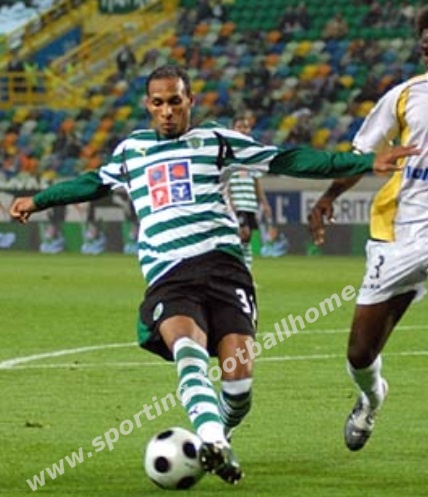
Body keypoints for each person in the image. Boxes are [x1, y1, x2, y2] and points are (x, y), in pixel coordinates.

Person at [9, 65, 417, 483]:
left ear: (190, 101)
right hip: (170, 273)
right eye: (158, 103)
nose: (167, 111)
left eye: (175, 101)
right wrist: (38, 201)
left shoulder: (217, 140)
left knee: (239, 388)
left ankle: (220, 430)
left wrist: (364, 160)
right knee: (188, 352)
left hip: (224, 270)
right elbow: (91, 183)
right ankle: (213, 442)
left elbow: (286, 158)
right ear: (147, 105)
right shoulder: (132, 150)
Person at [307, 7, 428, 453]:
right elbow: (364, 153)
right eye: (425, 43)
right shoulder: (404, 97)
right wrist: (328, 196)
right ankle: (372, 398)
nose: (427, 48)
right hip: (399, 235)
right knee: (360, 353)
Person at [228, 113, 272, 270]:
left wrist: (264, 203)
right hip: (237, 203)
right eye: (239, 127)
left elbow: (256, 181)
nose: (243, 130)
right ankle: (236, 270)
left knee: (247, 239)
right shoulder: (228, 152)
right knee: (243, 234)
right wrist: (230, 202)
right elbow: (225, 181)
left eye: (246, 127)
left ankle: (246, 272)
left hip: (250, 203)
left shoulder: (252, 153)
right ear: (232, 130)